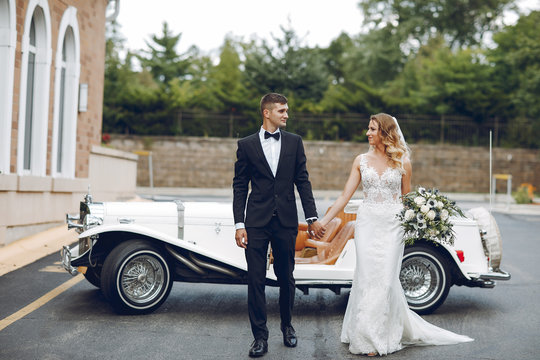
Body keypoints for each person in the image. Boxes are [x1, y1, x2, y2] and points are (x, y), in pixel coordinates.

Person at [318, 113, 473, 356]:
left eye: (372, 129)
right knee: (368, 279)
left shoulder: (403, 162)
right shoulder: (360, 160)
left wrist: (427, 213)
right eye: (368, 129)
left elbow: (406, 198)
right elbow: (344, 196)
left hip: (393, 227)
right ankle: (366, 336)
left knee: (387, 280)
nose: (367, 133)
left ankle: (381, 334)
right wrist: (323, 221)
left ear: (385, 133)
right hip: (367, 225)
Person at [232, 93, 324, 358]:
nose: (286, 114)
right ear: (267, 112)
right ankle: (260, 337)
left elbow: (302, 182)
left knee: (286, 277)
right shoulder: (246, 145)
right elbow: (240, 186)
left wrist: (311, 217)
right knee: (256, 280)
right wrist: (240, 224)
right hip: (256, 222)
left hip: (285, 221)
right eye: (282, 110)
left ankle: (287, 326)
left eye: (287, 110)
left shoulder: (295, 143)